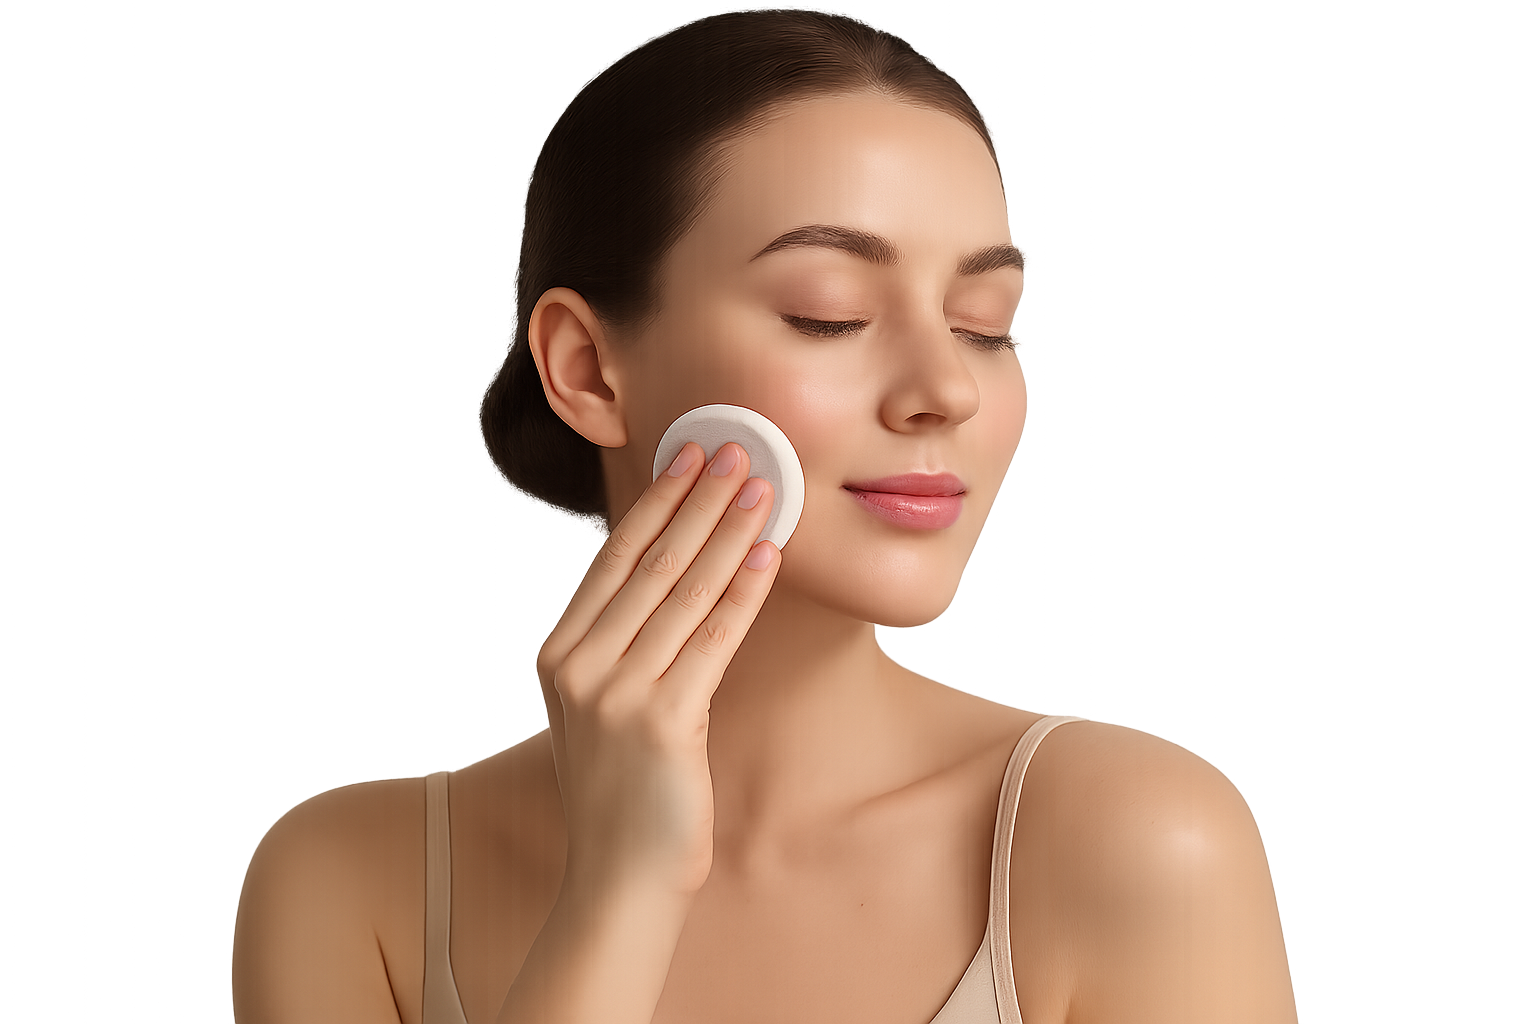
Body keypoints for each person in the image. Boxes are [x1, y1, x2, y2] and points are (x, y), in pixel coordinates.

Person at [232, 11, 1298, 1024]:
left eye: (986, 325)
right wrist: (621, 890)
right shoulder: (352, 885)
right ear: (588, 368)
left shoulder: (1135, 844)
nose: (947, 389)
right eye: (827, 313)